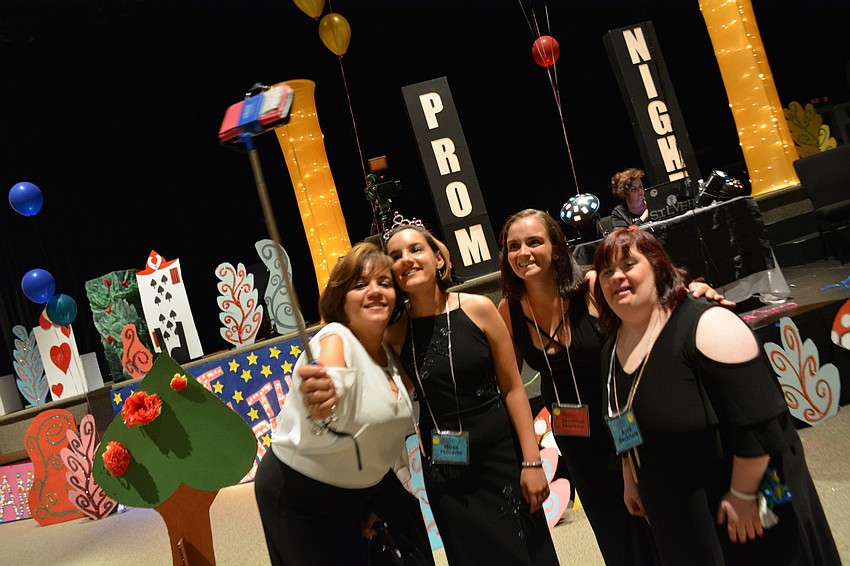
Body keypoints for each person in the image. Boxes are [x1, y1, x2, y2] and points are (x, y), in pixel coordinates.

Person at [497, 208, 733, 566]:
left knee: (657, 516)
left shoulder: (591, 286)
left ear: (556, 248)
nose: (523, 253)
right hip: (574, 437)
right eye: (513, 246)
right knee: (613, 527)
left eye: (534, 242)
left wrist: (695, 293)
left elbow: (654, 307)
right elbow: (509, 383)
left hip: (626, 420)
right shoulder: (510, 308)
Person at [592, 228, 840, 566]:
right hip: (677, 513)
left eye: (628, 264)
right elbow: (620, 415)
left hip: (740, 508)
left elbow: (760, 423)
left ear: (657, 267)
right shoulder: (611, 351)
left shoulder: (707, 324)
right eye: (607, 271)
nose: (617, 277)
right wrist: (630, 478)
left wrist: (742, 494)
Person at [383, 220, 559, 565]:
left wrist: (532, 460)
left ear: (438, 258)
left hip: (504, 461)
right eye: (395, 256)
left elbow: (513, 388)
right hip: (447, 476)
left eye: (415, 249)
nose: (406, 259)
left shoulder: (478, 308)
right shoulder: (394, 333)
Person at [253, 242, 434, 566]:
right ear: (341, 299)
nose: (375, 291)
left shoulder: (390, 355)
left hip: (362, 494)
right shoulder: (335, 338)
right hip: (300, 496)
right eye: (361, 284)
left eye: (384, 283)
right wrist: (322, 399)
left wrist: (372, 497)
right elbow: (330, 381)